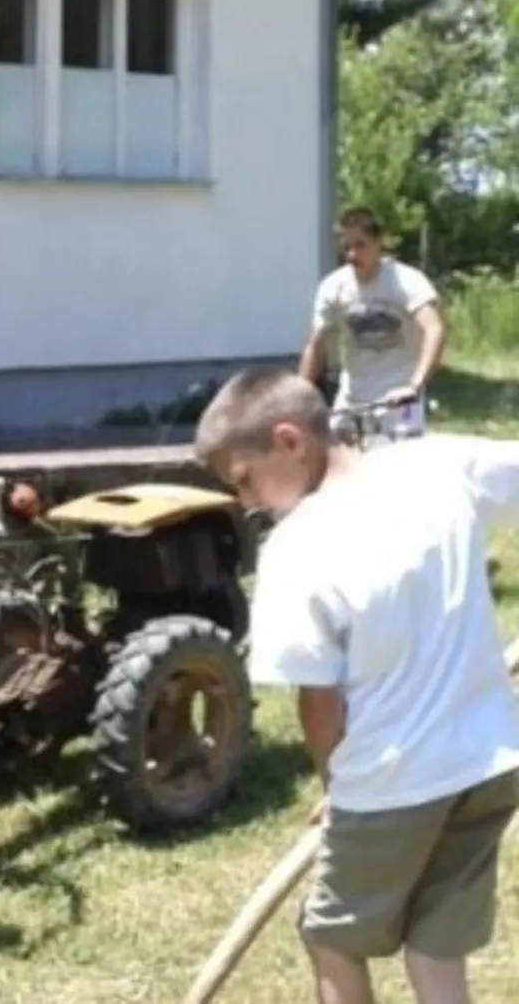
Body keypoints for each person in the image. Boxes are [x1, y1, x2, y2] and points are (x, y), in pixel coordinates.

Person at [192, 365, 519, 1004]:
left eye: (245, 479)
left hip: (390, 781)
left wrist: (335, 785)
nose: (248, 502)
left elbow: (318, 699)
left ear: (290, 440)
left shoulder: (297, 548)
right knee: (434, 944)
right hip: (490, 762)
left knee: (332, 937)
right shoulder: (435, 465)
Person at [299, 206, 447, 439]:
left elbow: (434, 329)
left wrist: (415, 385)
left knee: (400, 468)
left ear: (378, 242)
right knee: (343, 467)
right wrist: (299, 393)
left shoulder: (407, 281)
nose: (352, 255)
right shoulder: (333, 287)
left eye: (360, 245)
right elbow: (316, 344)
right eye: (346, 247)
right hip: (352, 398)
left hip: (399, 397)